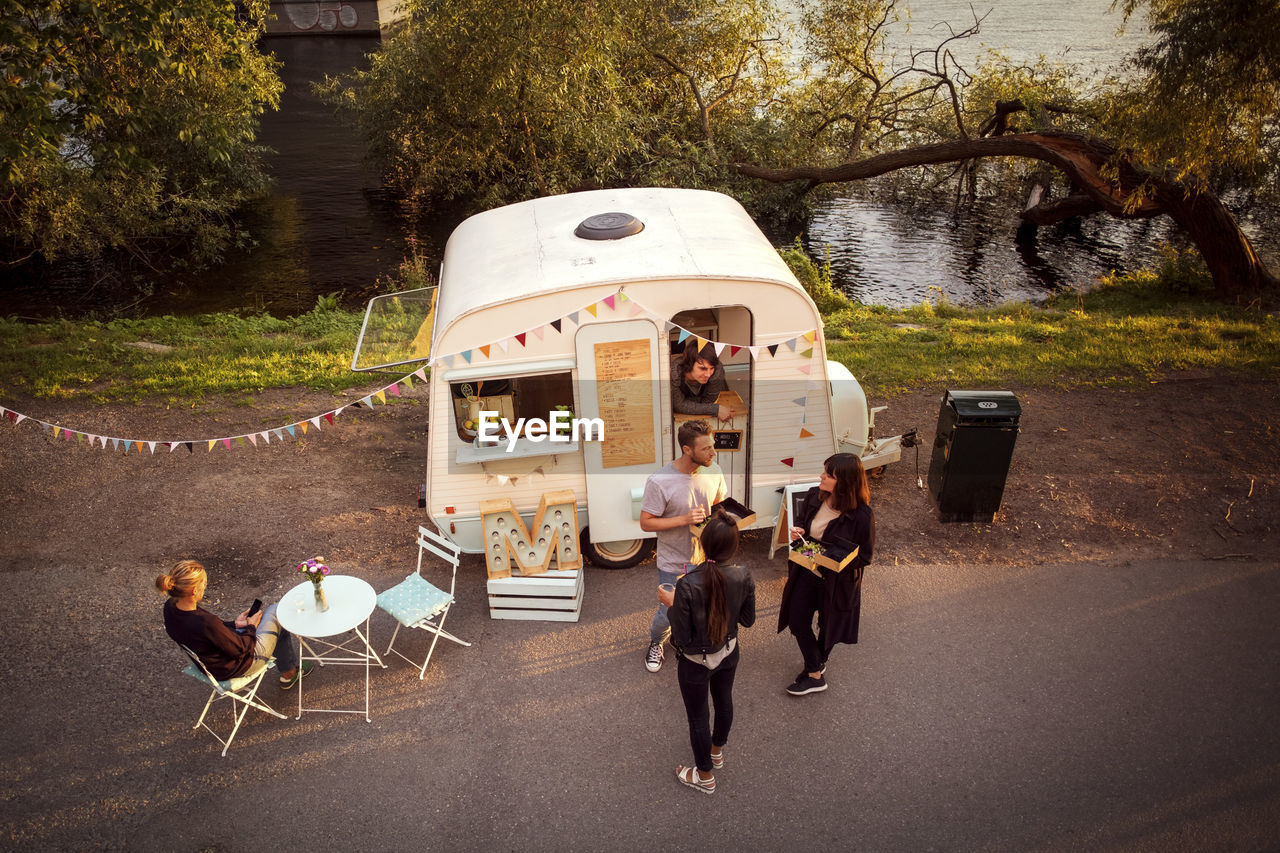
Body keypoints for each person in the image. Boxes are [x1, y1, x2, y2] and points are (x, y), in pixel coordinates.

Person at [666, 509, 756, 795]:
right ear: (734, 546)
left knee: (698, 718)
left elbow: (681, 637)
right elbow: (748, 620)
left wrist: (670, 603)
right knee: (724, 701)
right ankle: (716, 752)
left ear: (702, 545)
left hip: (695, 663)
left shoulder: (687, 584)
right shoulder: (743, 575)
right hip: (729, 652)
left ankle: (704, 776)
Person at [777, 452, 875, 696]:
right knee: (798, 621)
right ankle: (816, 669)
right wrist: (798, 529)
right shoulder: (814, 495)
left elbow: (865, 556)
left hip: (837, 582)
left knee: (828, 626)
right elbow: (803, 520)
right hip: (807, 571)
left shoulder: (862, 516)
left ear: (844, 482)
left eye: (828, 474)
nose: (821, 477)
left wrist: (835, 561)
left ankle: (813, 672)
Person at [639, 418, 727, 673]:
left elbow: (719, 504)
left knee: (705, 604)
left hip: (707, 558)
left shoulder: (714, 471)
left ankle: (694, 641)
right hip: (673, 560)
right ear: (687, 450)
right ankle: (656, 642)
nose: (713, 452)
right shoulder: (659, 481)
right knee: (669, 610)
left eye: (713, 446)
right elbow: (646, 523)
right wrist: (684, 520)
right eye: (706, 448)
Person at [156, 559, 308, 689]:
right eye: (204, 583)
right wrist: (251, 626)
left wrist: (234, 624)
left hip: (211, 663)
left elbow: (212, 634)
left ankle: (289, 670)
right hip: (238, 665)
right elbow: (242, 649)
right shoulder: (205, 622)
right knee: (275, 610)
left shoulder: (171, 608)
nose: (205, 586)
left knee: (269, 624)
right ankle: (289, 670)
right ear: (194, 591)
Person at [671, 339, 733, 422]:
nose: (708, 374)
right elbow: (679, 406)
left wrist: (687, 404)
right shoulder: (674, 373)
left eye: (711, 368)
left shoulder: (717, 371)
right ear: (689, 364)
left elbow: (709, 401)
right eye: (702, 368)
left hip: (721, 401)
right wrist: (715, 409)